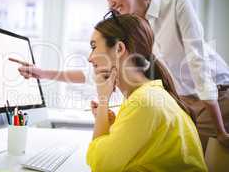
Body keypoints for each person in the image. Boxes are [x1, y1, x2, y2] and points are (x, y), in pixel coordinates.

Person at [10, 0, 229, 149]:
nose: (110, 3)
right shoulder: (133, 28)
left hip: (216, 97)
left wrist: (220, 128)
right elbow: (98, 71)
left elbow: (197, 63)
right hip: (183, 101)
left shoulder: (175, 6)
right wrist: (43, 73)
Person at [86, 13, 207, 171]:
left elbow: (101, 166)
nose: (90, 58)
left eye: (94, 47)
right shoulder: (146, 94)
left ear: (119, 49)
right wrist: (112, 125)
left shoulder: (145, 102)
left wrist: (103, 102)